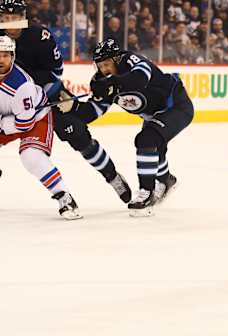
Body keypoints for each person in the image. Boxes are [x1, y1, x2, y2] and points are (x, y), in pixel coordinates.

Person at [0, 0, 132, 204]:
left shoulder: (39, 37)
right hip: (8, 99)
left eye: (14, 18)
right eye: (5, 19)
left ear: (24, 17)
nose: (10, 23)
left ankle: (112, 176)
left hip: (47, 97)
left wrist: (45, 92)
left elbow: (56, 72)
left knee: (78, 136)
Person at [58, 39, 194, 216]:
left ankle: (146, 193)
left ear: (117, 59)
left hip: (177, 106)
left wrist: (112, 84)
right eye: (99, 65)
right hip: (154, 115)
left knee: (147, 140)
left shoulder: (131, 60)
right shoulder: (101, 81)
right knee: (154, 149)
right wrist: (73, 107)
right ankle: (166, 180)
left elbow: (139, 79)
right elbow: (92, 113)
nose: (103, 69)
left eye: (106, 64)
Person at [0, 35, 81, 220]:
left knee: (31, 157)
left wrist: (1, 124)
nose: (1, 60)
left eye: (5, 55)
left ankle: (64, 196)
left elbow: (24, 124)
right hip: (9, 118)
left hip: (36, 119)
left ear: (12, 56)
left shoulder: (22, 86)